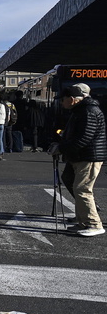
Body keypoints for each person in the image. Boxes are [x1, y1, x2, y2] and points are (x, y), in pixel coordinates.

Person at [50, 83, 107, 237]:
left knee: (82, 189)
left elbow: (84, 138)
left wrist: (62, 148)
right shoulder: (81, 110)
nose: (61, 102)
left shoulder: (88, 111)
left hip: (88, 156)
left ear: (73, 99)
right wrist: (62, 142)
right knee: (69, 180)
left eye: (63, 99)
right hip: (80, 155)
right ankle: (83, 221)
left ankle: (94, 223)